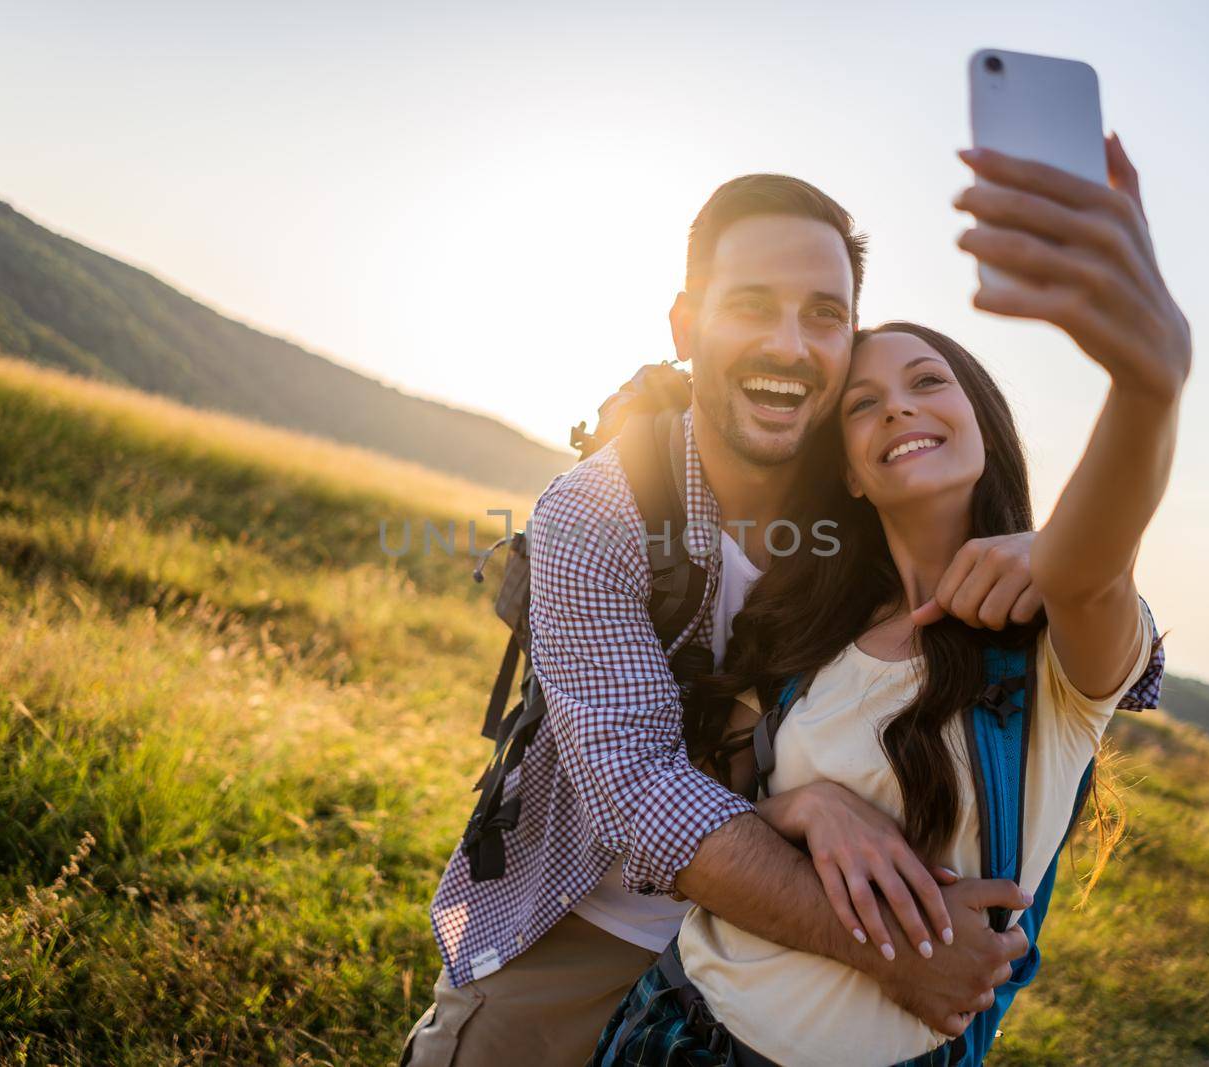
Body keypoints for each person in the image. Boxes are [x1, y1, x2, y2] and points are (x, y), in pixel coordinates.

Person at [402, 160, 1167, 1066]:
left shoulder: (861, 492)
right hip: (589, 923)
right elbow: (641, 790)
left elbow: (1096, 631)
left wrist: (1050, 557)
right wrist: (878, 918)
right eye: (751, 305)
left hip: (749, 971)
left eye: (824, 315)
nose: (790, 345)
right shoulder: (596, 512)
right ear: (687, 325)